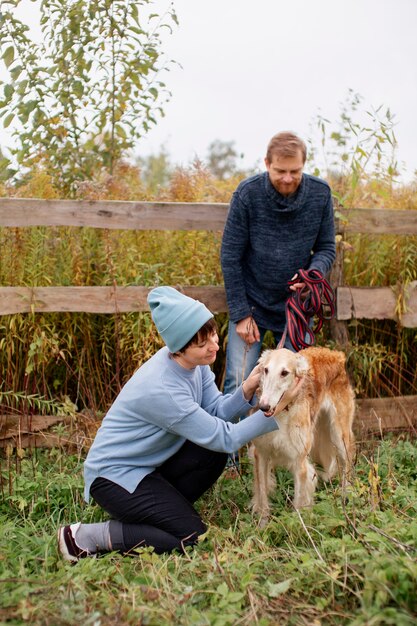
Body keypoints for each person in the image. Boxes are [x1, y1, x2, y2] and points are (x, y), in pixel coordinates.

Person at [57, 286, 278, 561]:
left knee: (213, 455)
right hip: (114, 478)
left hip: (149, 469)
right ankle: (85, 536)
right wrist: (275, 415)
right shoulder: (163, 389)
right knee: (190, 536)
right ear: (179, 347)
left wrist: (248, 386)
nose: (215, 345)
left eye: (212, 333)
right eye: (202, 343)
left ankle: (161, 514)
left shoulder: (196, 365)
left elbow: (217, 411)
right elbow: (226, 437)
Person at [221, 131, 336, 440]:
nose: (287, 178)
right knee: (238, 379)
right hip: (252, 306)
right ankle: (226, 457)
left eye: (294, 172)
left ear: (304, 166)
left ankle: (288, 449)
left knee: (297, 384)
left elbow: (326, 248)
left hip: (296, 309)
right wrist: (241, 313)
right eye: (280, 171)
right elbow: (230, 255)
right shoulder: (248, 194)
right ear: (266, 164)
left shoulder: (320, 194)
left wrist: (313, 275)